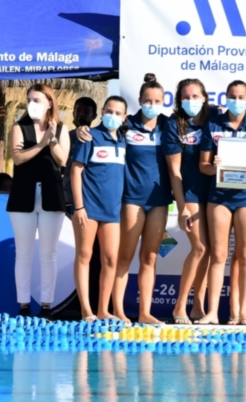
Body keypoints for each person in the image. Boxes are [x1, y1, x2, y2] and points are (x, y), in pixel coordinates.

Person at [196, 80, 246, 325]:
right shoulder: (213, 124)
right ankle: (211, 313)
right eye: (232, 96)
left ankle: (241, 314)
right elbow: (203, 166)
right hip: (219, 197)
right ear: (226, 97)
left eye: (241, 96)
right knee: (218, 256)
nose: (236, 100)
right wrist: (214, 167)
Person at [112, 75, 172, 324]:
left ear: (163, 101)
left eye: (157, 100)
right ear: (139, 101)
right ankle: (118, 311)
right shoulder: (127, 124)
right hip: (132, 199)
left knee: (149, 257)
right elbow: (100, 135)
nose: (152, 104)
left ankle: (145, 312)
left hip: (159, 200)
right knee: (124, 256)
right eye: (147, 100)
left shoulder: (169, 126)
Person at [6, 84, 70, 318]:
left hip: (52, 195)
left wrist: (51, 141)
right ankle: (23, 304)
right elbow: (18, 157)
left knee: (48, 253)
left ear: (49, 103)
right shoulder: (19, 127)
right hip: (23, 194)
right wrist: (41, 145)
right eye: (29, 99)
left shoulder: (61, 129)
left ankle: (46, 304)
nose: (32, 103)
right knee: (23, 253)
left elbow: (63, 160)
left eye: (38, 99)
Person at [70, 96, 127, 321]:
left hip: (113, 211)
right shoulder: (89, 135)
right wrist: (79, 207)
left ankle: (104, 310)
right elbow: (75, 171)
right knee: (84, 255)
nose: (113, 116)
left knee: (111, 259)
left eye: (118, 113)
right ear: (102, 112)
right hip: (89, 207)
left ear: (124, 117)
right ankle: (86, 310)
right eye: (109, 111)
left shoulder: (123, 139)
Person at [163, 78, 212, 324]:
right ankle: (179, 306)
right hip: (189, 194)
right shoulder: (174, 125)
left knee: (210, 251)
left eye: (195, 96)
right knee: (200, 247)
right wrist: (181, 207)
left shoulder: (216, 119)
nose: (190, 101)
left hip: (214, 193)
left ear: (204, 97)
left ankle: (197, 307)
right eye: (185, 97)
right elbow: (175, 171)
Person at [63, 97, 98, 209]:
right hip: (68, 194)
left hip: (91, 195)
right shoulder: (65, 137)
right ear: (73, 113)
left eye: (86, 112)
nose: (81, 114)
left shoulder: (98, 138)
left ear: (94, 116)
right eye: (78, 111)